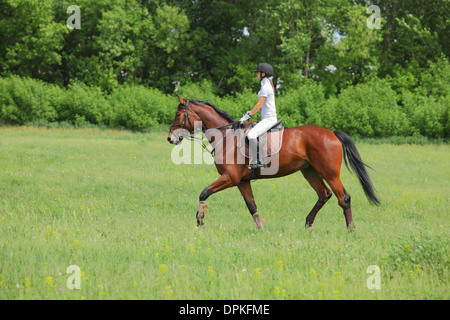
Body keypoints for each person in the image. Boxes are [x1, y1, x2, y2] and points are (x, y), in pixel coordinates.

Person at [238, 62, 277, 169]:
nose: (256, 75)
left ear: (263, 74)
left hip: (269, 119)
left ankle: (260, 161)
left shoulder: (266, 87)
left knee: (251, 135)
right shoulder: (266, 85)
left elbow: (259, 105)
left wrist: (248, 115)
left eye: (258, 73)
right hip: (266, 118)